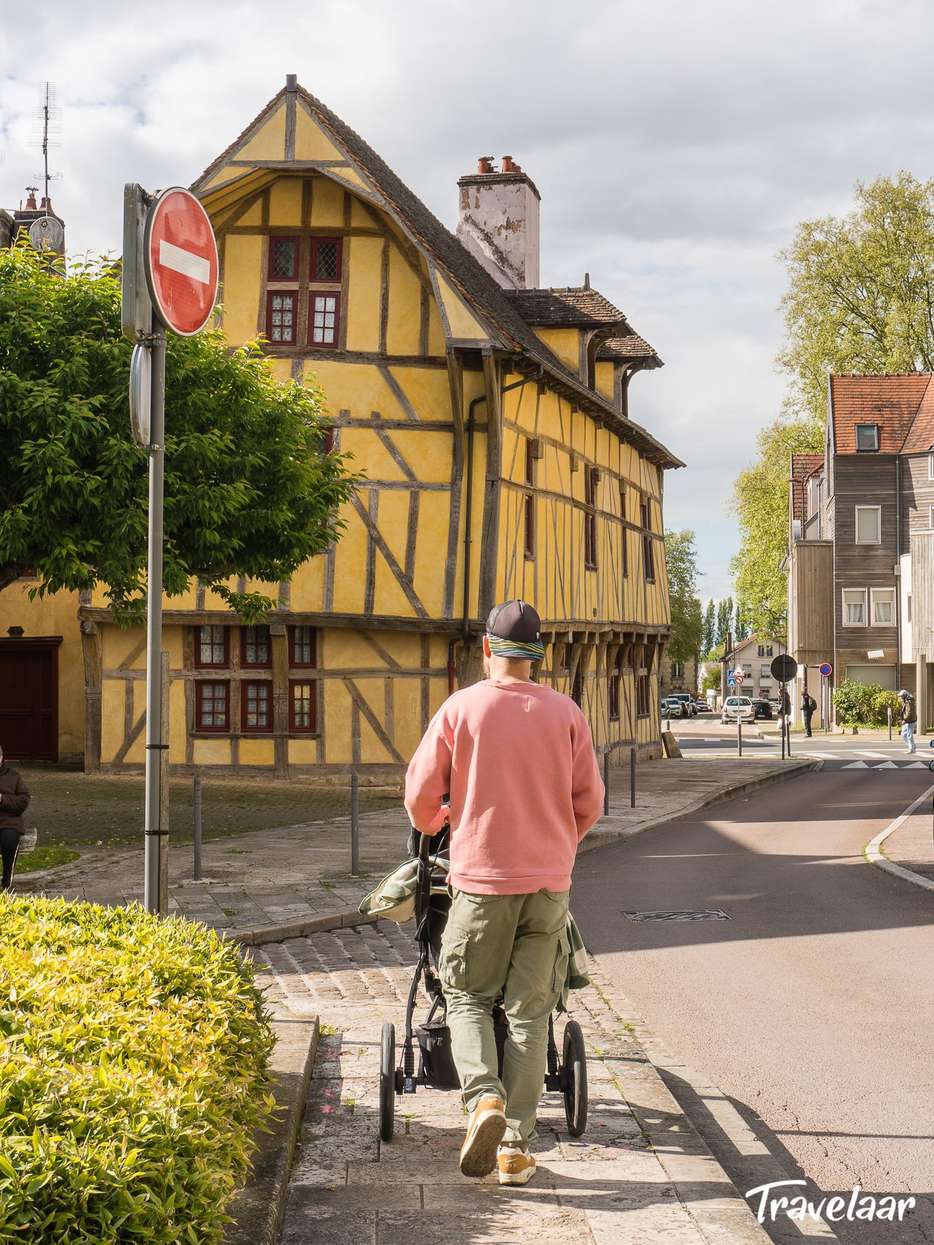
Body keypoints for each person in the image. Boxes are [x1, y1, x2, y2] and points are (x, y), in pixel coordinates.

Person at [404, 600, 604, 1187]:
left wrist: (443, 819)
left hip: (481, 881)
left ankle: (483, 1099)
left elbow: (419, 797)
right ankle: (515, 1147)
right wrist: (557, 843)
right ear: (539, 656)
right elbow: (589, 804)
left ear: (486, 650)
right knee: (529, 1011)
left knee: (465, 994)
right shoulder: (566, 713)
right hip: (548, 885)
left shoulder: (461, 709)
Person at [0, 745, 30, 892]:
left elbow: (23, 801)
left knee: (9, 840)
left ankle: (6, 883)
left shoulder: (13, 776)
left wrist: (3, 800)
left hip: (9, 823)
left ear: (1, 758)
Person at [898, 690, 917, 754]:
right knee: (903, 735)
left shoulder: (909, 702)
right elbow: (904, 711)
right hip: (907, 721)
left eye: (901, 696)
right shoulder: (906, 701)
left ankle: (912, 749)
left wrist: (905, 720)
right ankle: (913, 746)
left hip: (910, 721)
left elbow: (909, 712)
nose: (900, 698)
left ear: (905, 696)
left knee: (909, 735)